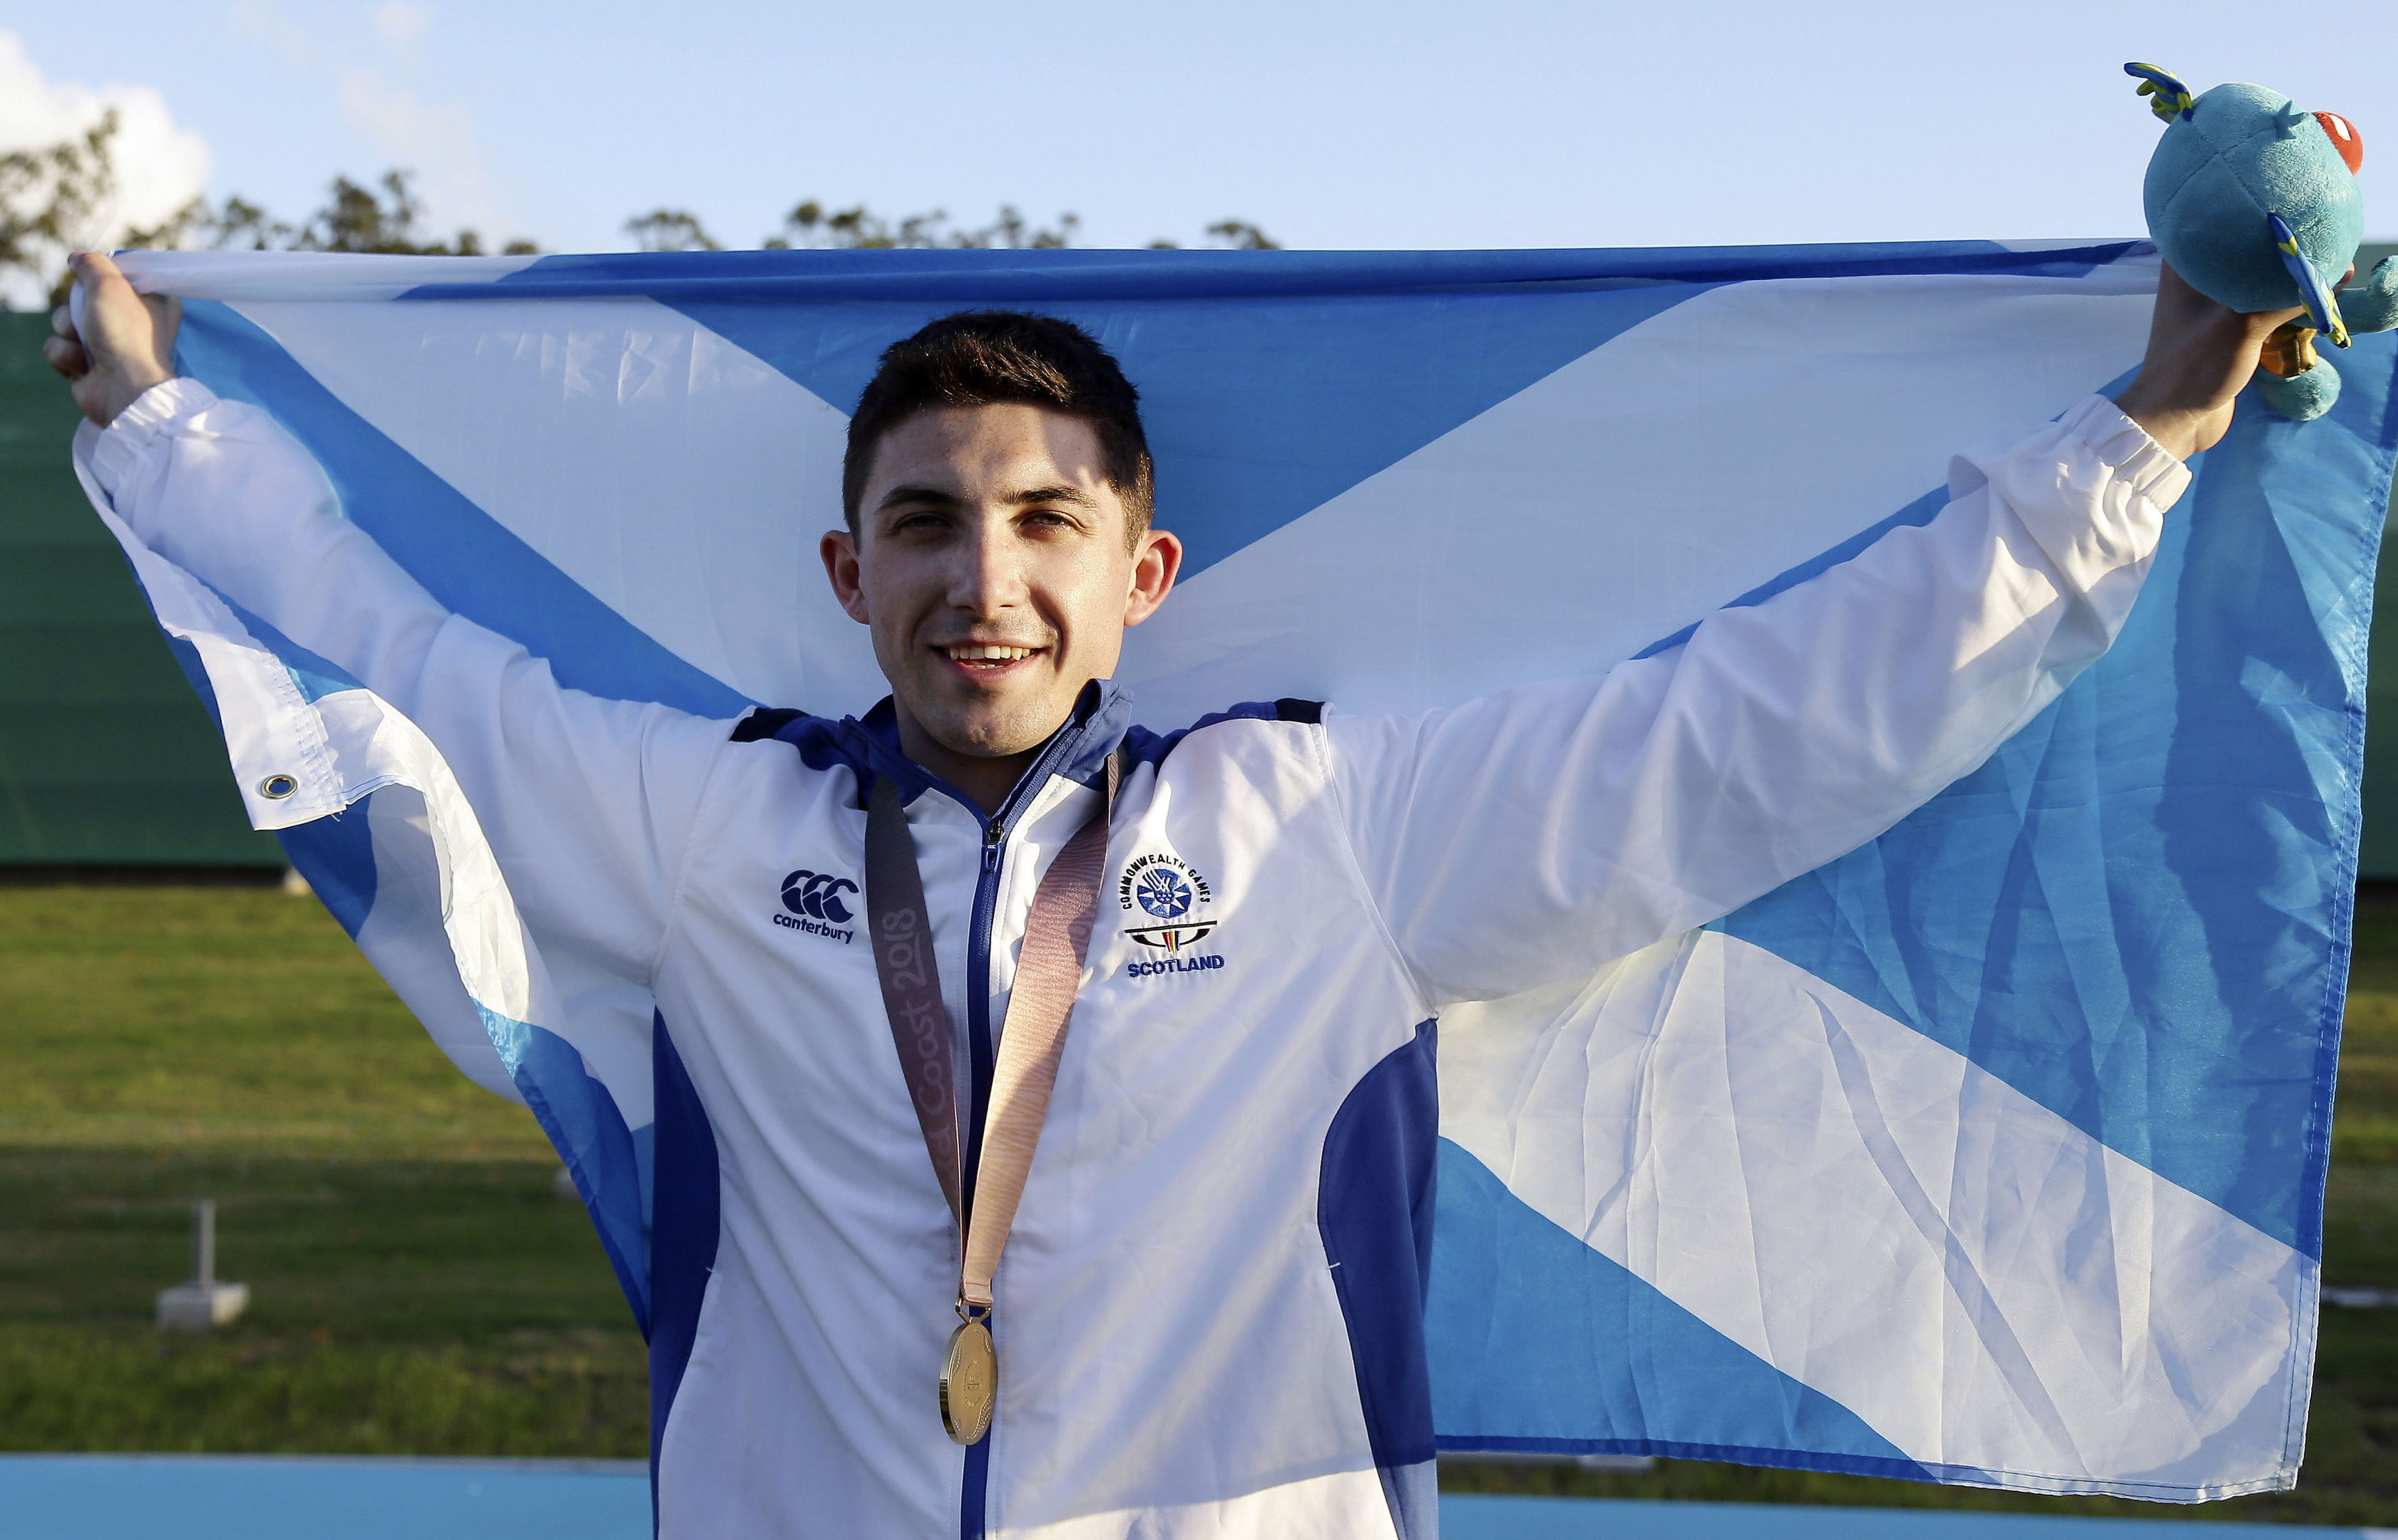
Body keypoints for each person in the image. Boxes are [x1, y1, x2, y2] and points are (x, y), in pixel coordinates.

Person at [46, 249, 2292, 1539]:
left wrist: (2143, 436)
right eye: (926, 523)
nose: (982, 578)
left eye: (1043, 524)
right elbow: (401, 646)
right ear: (852, 579)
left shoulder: (1325, 835)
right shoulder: (702, 834)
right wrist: (161, 428)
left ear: (1142, 581)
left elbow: (1753, 728)